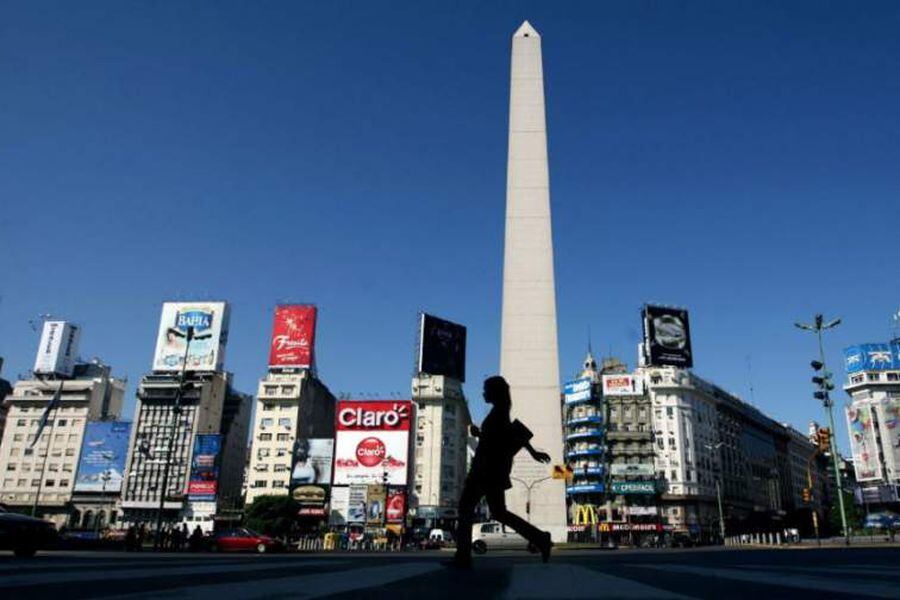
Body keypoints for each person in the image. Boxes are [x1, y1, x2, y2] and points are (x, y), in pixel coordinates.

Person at [453, 376, 553, 569]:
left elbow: (499, 441)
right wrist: (532, 452)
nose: (483, 393)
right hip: (492, 472)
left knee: (465, 510)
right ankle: (540, 538)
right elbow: (507, 437)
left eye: (485, 389)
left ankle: (463, 558)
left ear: (495, 392)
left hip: (484, 471)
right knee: (499, 513)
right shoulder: (500, 411)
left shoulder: (498, 413)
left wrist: (478, 434)